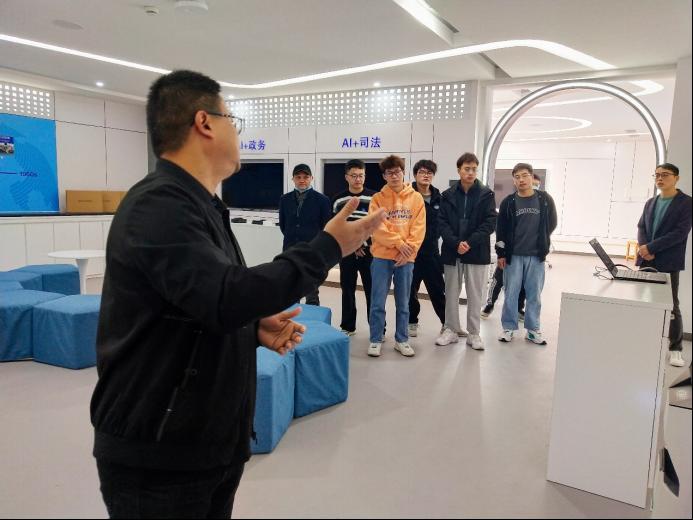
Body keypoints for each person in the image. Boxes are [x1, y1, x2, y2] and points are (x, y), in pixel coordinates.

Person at [90, 70, 386, 519]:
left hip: (204, 443)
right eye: (234, 120)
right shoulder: (159, 205)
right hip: (160, 455)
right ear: (204, 122)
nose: (238, 132)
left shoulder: (201, 204)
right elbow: (226, 295)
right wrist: (328, 247)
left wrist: (249, 327)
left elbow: (202, 299)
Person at [436, 152, 497, 350]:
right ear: (459, 170)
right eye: (466, 169)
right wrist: (456, 243)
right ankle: (451, 330)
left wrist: (469, 242)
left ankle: (474, 333)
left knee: (475, 295)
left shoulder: (486, 194)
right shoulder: (447, 195)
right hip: (452, 251)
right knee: (451, 293)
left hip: (476, 251)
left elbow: (490, 222)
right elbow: (441, 223)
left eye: (474, 169)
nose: (470, 173)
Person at [367, 155, 426, 358]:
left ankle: (402, 340)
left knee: (403, 302)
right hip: (381, 257)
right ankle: (375, 339)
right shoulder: (377, 199)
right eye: (389, 172)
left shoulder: (416, 198)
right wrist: (399, 244)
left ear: (403, 172)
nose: (394, 175)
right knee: (377, 301)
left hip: (406, 259)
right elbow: (376, 227)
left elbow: (419, 228)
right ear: (384, 176)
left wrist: (408, 250)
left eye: (397, 171)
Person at [637, 162, 692, 367]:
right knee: (643, 302)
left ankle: (675, 349)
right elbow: (641, 227)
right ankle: (647, 342)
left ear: (676, 178)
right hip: (646, 260)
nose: (660, 178)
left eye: (665, 175)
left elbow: (680, 233)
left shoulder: (686, 203)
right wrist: (644, 248)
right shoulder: (650, 202)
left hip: (668, 260)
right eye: (657, 175)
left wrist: (651, 247)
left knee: (672, 306)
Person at [496, 163, 557, 345]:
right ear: (514, 181)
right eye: (517, 177)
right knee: (511, 294)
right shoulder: (508, 202)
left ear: (532, 177)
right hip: (513, 256)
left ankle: (532, 330)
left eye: (524, 175)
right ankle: (508, 328)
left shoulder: (545, 199)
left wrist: (542, 240)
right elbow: (501, 230)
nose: (521, 180)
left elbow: (552, 223)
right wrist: (501, 253)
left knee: (534, 295)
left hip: (536, 256)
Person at [481, 173, 540, 319]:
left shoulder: (540, 205)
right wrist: (501, 252)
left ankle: (519, 309)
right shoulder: (511, 203)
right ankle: (489, 304)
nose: (533, 187)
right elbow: (501, 229)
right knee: (498, 279)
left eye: (536, 185)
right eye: (532, 184)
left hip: (529, 253)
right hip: (509, 251)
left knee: (524, 283)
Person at [332, 159, 376, 335]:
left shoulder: (375, 198)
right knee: (347, 290)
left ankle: (377, 328)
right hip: (347, 252)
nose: (358, 179)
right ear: (346, 177)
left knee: (372, 291)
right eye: (354, 176)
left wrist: (363, 243)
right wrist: (352, 245)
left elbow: (378, 225)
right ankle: (348, 326)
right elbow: (336, 227)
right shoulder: (338, 200)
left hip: (370, 252)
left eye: (361, 175)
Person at [278, 163, 332, 305]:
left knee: (311, 288)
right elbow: (283, 225)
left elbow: (326, 227)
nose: (302, 180)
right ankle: (292, 313)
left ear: (311, 178)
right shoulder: (284, 199)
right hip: (290, 248)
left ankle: (311, 316)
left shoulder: (322, 200)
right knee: (291, 285)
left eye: (305, 177)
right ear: (293, 179)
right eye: (298, 177)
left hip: (312, 249)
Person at [408, 159, 446, 337]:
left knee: (438, 290)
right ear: (415, 175)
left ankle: (446, 323)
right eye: (422, 172)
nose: (426, 175)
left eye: (429, 172)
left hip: (431, 252)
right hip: (410, 252)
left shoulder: (439, 198)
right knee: (409, 291)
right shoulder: (407, 195)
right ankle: (411, 322)